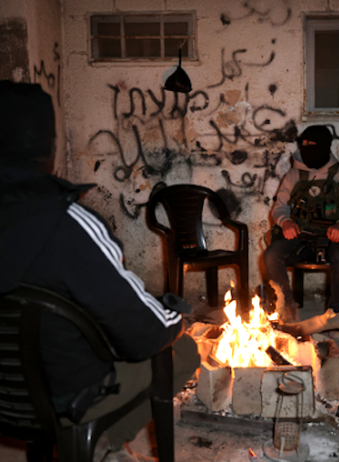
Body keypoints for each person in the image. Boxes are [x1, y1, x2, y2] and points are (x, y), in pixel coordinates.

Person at [0, 81, 200, 461]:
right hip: (62, 395)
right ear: (48, 147)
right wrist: (173, 314)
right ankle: (103, 442)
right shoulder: (69, 225)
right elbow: (143, 332)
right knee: (184, 349)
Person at [263, 125, 339, 320]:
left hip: (334, 238)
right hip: (301, 237)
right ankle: (287, 308)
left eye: (312, 145)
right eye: (304, 144)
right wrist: (285, 222)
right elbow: (280, 207)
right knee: (271, 255)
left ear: (325, 147)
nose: (306, 148)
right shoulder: (292, 175)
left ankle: (335, 316)